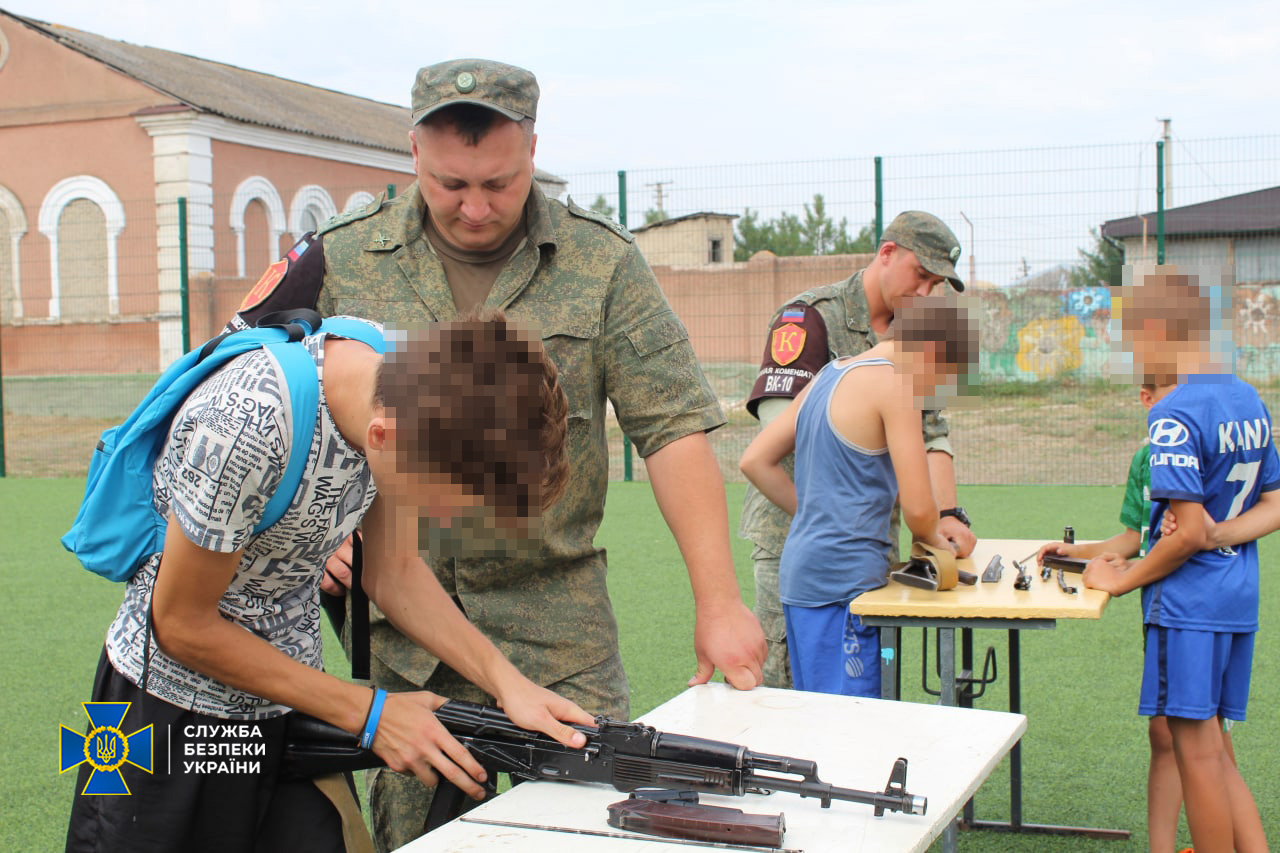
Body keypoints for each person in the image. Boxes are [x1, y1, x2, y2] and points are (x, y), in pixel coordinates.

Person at [232, 58, 765, 850]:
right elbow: (268, 401)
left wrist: (719, 600)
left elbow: (673, 426)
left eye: (501, 183)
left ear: (532, 151)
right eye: (451, 184)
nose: (476, 207)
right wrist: (326, 528)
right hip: (404, 632)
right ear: (413, 153)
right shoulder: (337, 261)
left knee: (598, 827)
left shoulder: (602, 262)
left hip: (558, 624)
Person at [65, 311, 594, 853]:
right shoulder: (247, 425)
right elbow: (179, 623)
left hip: (290, 699)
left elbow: (394, 572)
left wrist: (510, 685)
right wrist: (372, 715)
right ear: (383, 439)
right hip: (166, 718)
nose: (444, 528)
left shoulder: (399, 383)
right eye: (438, 508)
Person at [1082, 267, 1278, 853]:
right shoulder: (1247, 396)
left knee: (1194, 751)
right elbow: (1272, 505)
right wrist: (1220, 533)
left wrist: (1117, 580)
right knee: (1215, 746)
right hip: (1237, 598)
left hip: (1189, 604)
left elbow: (1185, 533)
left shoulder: (1173, 413)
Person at [739, 211, 978, 688]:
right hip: (811, 547)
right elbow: (784, 441)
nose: (927, 292)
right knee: (806, 701)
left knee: (837, 698)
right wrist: (824, 511)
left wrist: (949, 513)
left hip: (846, 550)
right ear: (887, 254)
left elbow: (932, 432)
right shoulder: (810, 317)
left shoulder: (885, 347)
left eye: (937, 284)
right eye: (922, 276)